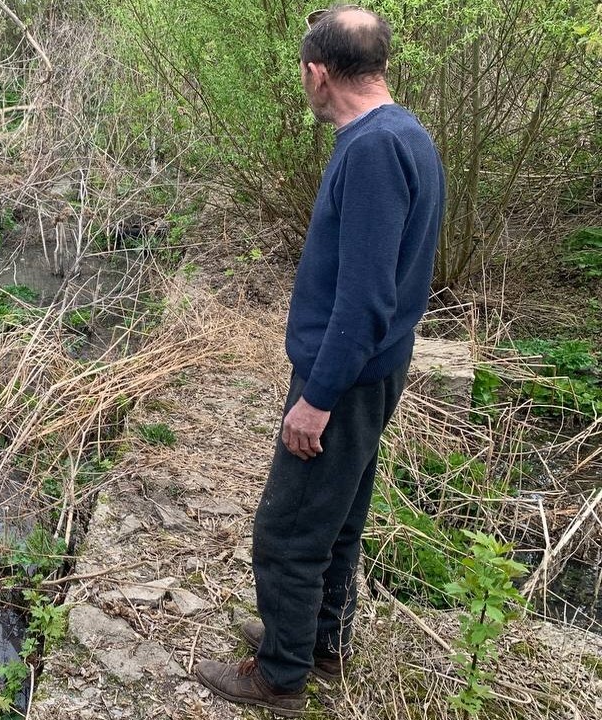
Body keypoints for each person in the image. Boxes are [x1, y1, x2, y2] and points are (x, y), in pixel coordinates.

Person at [193, 5, 446, 717]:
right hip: (376, 368)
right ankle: (317, 644)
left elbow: (365, 297)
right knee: (337, 518)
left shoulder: (370, 150)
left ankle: (279, 678)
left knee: (289, 530)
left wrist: (317, 396)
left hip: (348, 373)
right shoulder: (406, 135)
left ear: (317, 72)